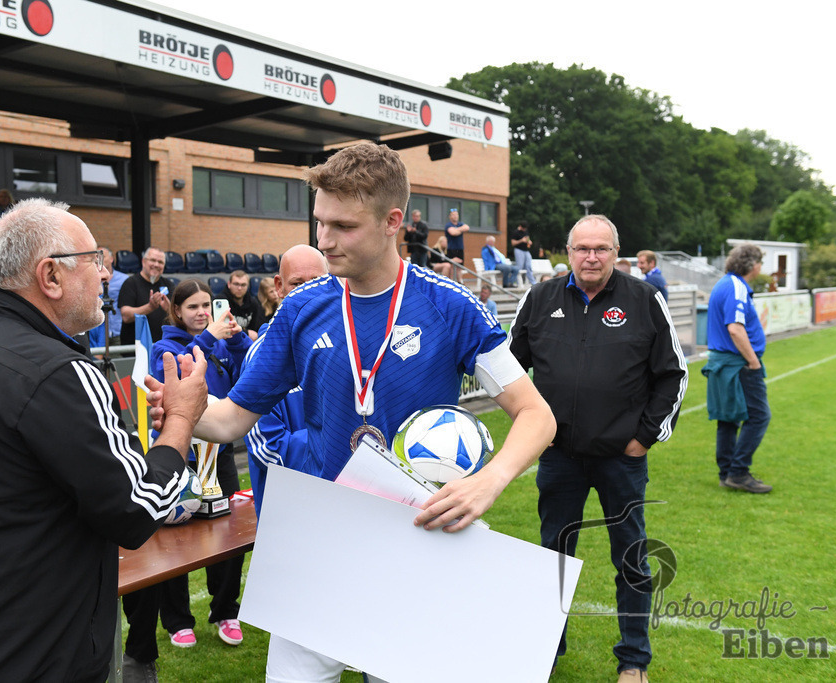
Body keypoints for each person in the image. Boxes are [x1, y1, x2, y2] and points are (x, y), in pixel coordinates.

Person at [146, 142, 556, 683]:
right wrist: (187, 412)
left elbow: (536, 414)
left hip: (414, 538)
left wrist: (491, 481)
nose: (324, 239)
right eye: (319, 222)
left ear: (392, 222)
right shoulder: (301, 307)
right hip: (318, 537)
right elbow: (231, 421)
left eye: (343, 225)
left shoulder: (450, 307)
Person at [0, 199, 207, 682]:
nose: (106, 274)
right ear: (50, 276)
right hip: (32, 658)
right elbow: (137, 508)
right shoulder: (59, 374)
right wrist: (182, 419)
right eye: (95, 259)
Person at [508, 214, 688, 683]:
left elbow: (674, 374)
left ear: (616, 252)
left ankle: (633, 660)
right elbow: (509, 367)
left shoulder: (644, 298)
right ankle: (546, 649)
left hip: (620, 460)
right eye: (583, 248)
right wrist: (528, 425)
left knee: (630, 556)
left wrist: (643, 438)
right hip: (559, 457)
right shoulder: (541, 297)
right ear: (567, 252)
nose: (592, 257)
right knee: (553, 556)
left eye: (601, 249)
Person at [120, 280, 252, 679]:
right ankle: (177, 620)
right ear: (176, 310)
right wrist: (210, 339)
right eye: (192, 306)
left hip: (220, 454)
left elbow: (248, 375)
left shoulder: (222, 340)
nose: (200, 312)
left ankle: (225, 611)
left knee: (230, 536)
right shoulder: (166, 346)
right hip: (180, 452)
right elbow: (178, 372)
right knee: (174, 540)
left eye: (205, 306)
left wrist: (240, 342)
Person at [245, 244, 329, 517]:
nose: (308, 293)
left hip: (343, 509)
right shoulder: (262, 355)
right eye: (297, 283)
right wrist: (336, 443)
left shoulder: (346, 349)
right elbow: (267, 447)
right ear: (279, 287)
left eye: (317, 282)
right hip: (288, 517)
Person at [702, 243, 773, 494]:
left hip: (723, 363)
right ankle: (738, 472)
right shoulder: (736, 287)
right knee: (759, 416)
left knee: (728, 419)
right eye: (760, 263)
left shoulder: (726, 283)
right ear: (753, 265)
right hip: (737, 364)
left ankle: (727, 473)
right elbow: (735, 328)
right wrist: (753, 362)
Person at [118, 246, 173, 345]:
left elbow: (178, 316)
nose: (156, 264)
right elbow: (126, 316)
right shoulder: (131, 283)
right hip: (135, 349)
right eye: (152, 260)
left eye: (160, 262)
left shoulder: (168, 284)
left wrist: (169, 309)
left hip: (162, 347)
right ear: (143, 261)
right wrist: (150, 307)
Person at [226, 269, 262, 340]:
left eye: (243, 285)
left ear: (247, 286)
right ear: (229, 284)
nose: (239, 288)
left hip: (246, 341)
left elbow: (256, 328)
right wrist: (246, 332)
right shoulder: (221, 301)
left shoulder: (253, 303)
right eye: (236, 284)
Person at [443, 208, 470, 283]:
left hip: (460, 248)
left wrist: (457, 230)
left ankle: (460, 282)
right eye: (453, 215)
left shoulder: (460, 224)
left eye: (456, 215)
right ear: (450, 216)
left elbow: (467, 227)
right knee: (451, 267)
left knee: (459, 267)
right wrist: (461, 230)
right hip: (451, 249)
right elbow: (453, 233)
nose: (455, 216)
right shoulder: (448, 225)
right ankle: (451, 282)